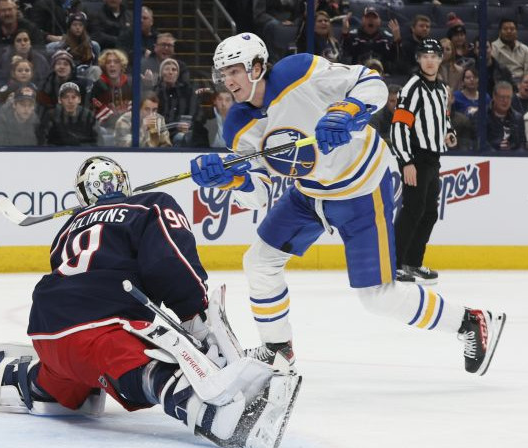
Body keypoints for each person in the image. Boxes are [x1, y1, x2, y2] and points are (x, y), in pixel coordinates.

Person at [189, 32, 506, 376]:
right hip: (310, 194)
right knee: (259, 261)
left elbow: (371, 83)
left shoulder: (299, 71)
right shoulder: (238, 124)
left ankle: (469, 322)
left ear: (257, 66)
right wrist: (230, 179)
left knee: (378, 297)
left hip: (362, 188)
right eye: (223, 74)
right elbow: (259, 192)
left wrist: (350, 109)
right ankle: (279, 350)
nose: (228, 81)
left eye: (234, 71)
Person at [0, 156, 301, 448]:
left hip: (47, 330)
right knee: (148, 371)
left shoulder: (68, 228)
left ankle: (13, 375)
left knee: (58, 396)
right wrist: (196, 314)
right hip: (100, 330)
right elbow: (169, 263)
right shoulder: (149, 205)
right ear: (123, 182)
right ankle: (212, 413)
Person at [391, 39, 457, 285]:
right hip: (416, 157)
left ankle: (413, 262)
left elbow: (444, 118)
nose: (430, 60)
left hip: (433, 158)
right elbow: (399, 126)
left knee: (428, 212)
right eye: (425, 55)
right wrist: (406, 161)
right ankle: (394, 264)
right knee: (412, 210)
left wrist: (449, 133)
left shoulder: (442, 89)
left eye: (434, 55)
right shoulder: (411, 88)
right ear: (418, 59)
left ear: (441, 59)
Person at [42, 81, 98, 146]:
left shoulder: (88, 116)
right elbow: (43, 141)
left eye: (73, 97)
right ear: (60, 100)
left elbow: (98, 141)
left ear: (79, 99)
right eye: (66, 97)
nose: (70, 101)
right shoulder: (51, 116)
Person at [487, 81, 527, 151]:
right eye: (502, 97)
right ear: (494, 96)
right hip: (488, 158)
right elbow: (479, 143)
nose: (505, 101)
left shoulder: (518, 118)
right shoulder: (482, 116)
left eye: (508, 97)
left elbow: (522, 145)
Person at [491, 18, 528, 84]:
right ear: (500, 32)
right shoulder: (493, 48)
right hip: (502, 83)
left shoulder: (525, 50)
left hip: (521, 83)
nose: (509, 31)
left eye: (512, 29)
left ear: (516, 31)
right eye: (505, 29)